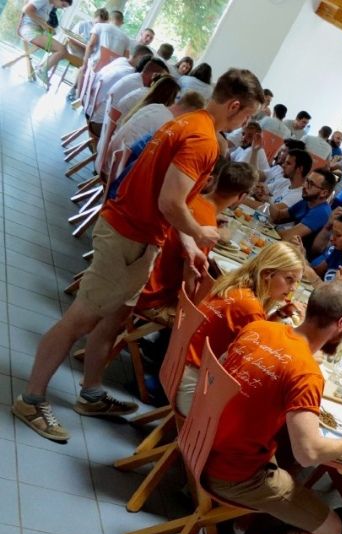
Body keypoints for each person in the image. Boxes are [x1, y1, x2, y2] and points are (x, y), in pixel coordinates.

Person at [13, 69, 263, 443]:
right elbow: (171, 202)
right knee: (80, 319)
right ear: (235, 105)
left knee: (114, 319)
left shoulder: (189, 121)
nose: (245, 124)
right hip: (128, 236)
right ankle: (31, 400)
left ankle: (91, 393)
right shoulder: (203, 139)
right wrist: (200, 232)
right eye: (248, 116)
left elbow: (171, 196)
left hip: (136, 235)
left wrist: (188, 243)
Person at [183, 282, 342, 534]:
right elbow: (309, 454)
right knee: (330, 530)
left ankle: (244, 524)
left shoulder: (261, 327)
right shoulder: (306, 373)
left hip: (199, 440)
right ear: (341, 324)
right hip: (230, 473)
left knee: (285, 450)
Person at [174, 242, 305, 415]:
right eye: (289, 279)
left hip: (177, 369)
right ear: (267, 273)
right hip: (192, 390)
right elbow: (262, 359)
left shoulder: (236, 285)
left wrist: (279, 315)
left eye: (297, 282)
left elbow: (254, 331)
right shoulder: (250, 308)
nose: (293, 288)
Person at [136, 160, 257, 322]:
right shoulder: (206, 229)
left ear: (216, 179)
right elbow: (189, 277)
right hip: (151, 299)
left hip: (137, 278)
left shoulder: (187, 199)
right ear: (241, 197)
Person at [107, 78, 190, 158]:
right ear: (169, 97)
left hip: (113, 147)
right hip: (118, 156)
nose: (176, 103)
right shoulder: (160, 114)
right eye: (177, 98)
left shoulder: (148, 104)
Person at [278, 166, 336, 258]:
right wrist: (267, 199)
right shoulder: (307, 201)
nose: (304, 186)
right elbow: (278, 216)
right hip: (288, 251)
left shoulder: (322, 212)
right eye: (306, 181)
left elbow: (288, 236)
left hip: (298, 259)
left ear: (324, 193)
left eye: (311, 184)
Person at [19, 0, 73, 85]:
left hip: (35, 30)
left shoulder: (50, 5)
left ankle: (41, 68)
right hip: (29, 30)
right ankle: (41, 70)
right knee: (62, 50)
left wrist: (48, 28)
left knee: (63, 52)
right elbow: (27, 10)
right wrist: (45, 25)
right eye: (63, 5)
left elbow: (40, 20)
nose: (62, 8)